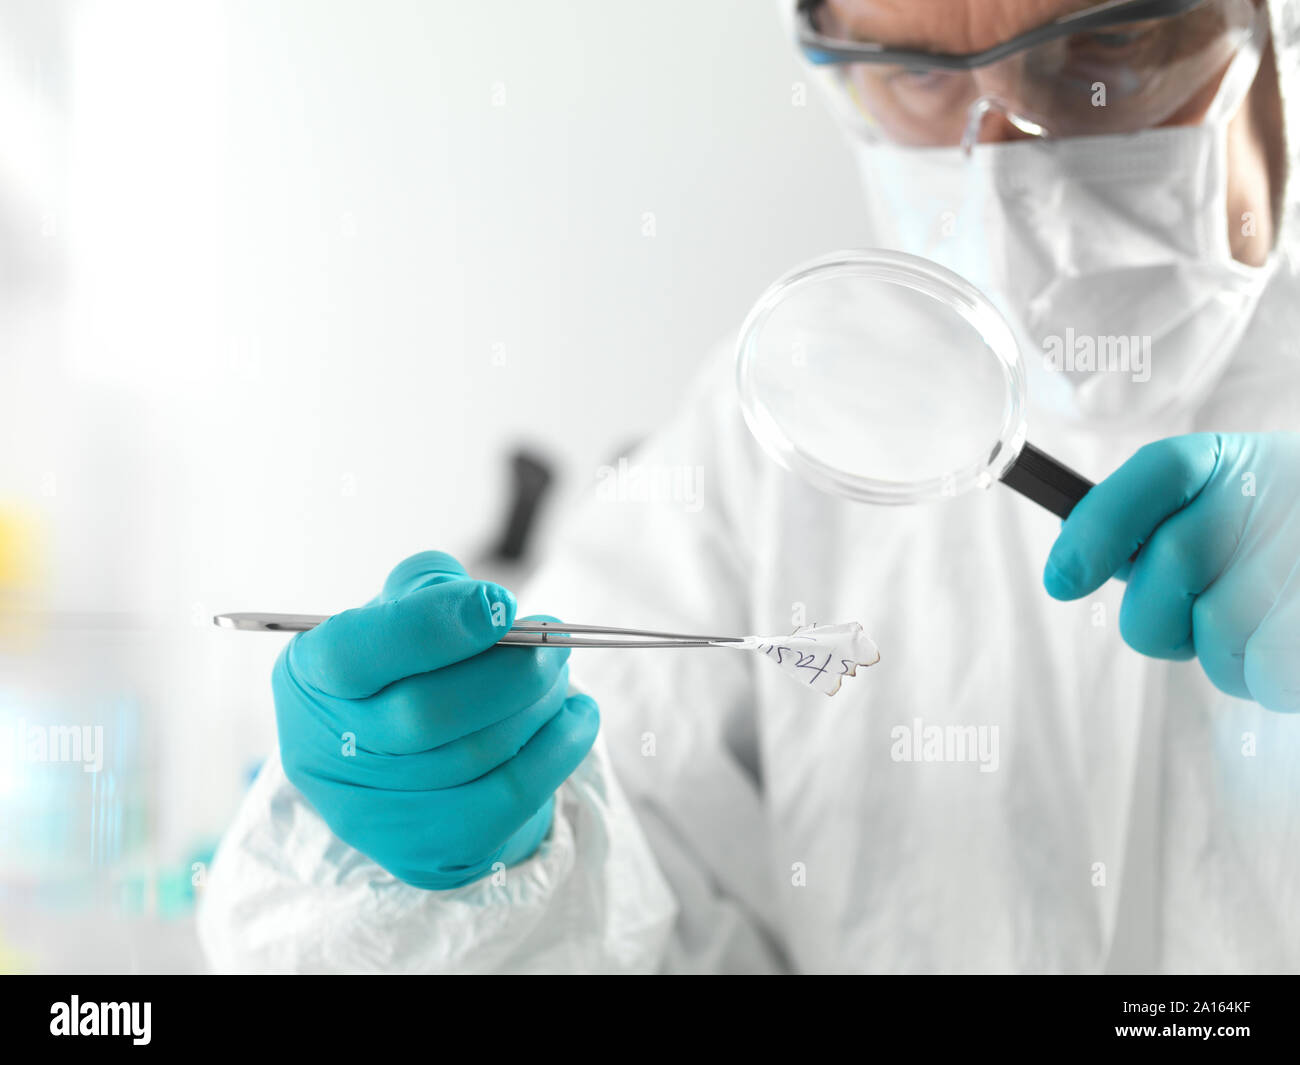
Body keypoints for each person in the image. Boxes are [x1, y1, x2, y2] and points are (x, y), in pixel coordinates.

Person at [198, 0, 1300, 973]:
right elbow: (644, 930)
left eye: (1106, 43)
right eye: (917, 73)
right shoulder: (787, 424)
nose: (1008, 156)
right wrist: (457, 878)